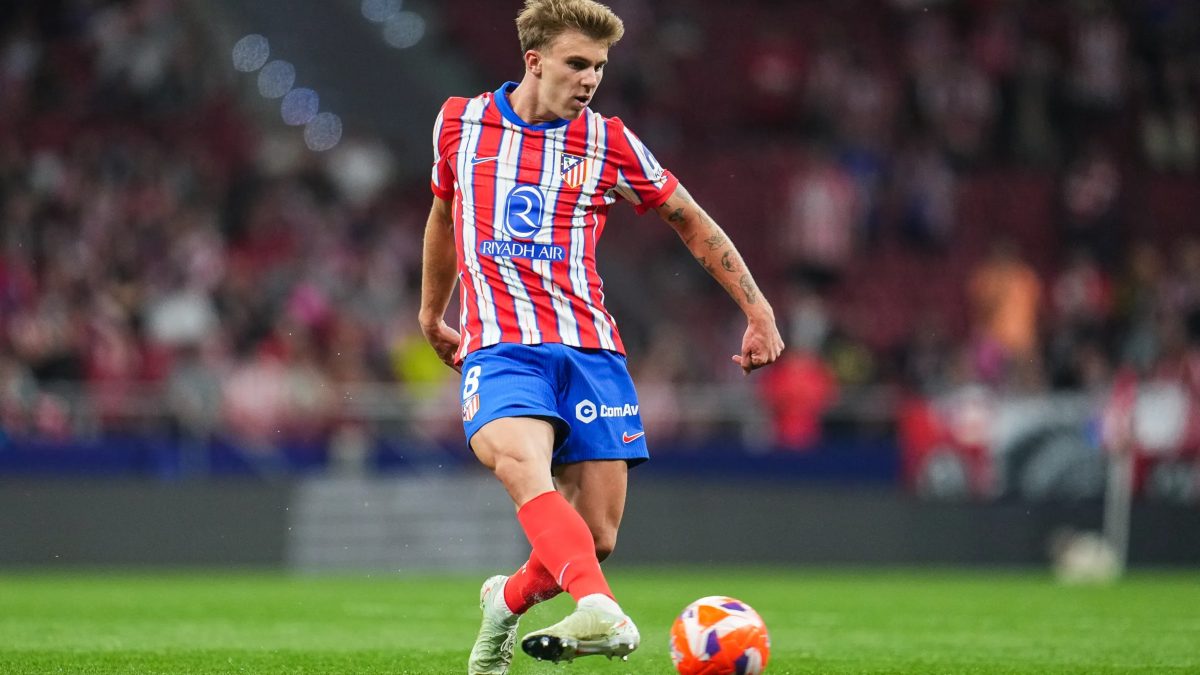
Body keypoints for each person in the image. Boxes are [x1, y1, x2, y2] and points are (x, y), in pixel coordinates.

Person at [418, 1, 784, 672]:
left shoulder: (608, 142)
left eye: (599, 67)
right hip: (500, 347)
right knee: (524, 465)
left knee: (595, 536)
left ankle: (505, 599)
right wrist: (430, 312)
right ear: (535, 62)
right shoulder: (459, 123)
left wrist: (757, 310)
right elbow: (444, 215)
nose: (590, 79)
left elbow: (690, 219)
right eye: (577, 64)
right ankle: (601, 609)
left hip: (589, 349)